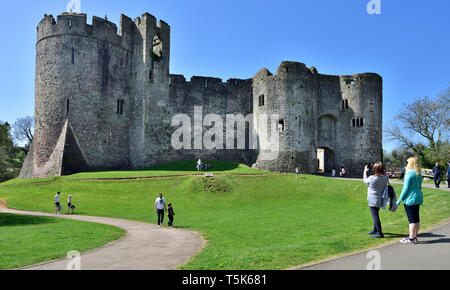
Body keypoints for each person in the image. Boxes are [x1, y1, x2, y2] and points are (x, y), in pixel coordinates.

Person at [396, 156, 423, 244]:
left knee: (411, 219)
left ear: (410, 163)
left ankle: (411, 238)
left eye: (408, 163)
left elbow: (405, 188)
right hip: (418, 197)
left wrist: (399, 200)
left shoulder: (409, 173)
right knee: (416, 218)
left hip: (410, 198)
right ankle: (415, 237)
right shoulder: (419, 173)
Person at [363, 162, 388, 238]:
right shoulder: (385, 178)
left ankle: (380, 233)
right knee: (376, 213)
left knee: (375, 216)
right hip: (380, 199)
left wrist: (365, 171)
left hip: (373, 199)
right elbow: (384, 174)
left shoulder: (371, 178)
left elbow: (365, 180)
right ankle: (375, 229)